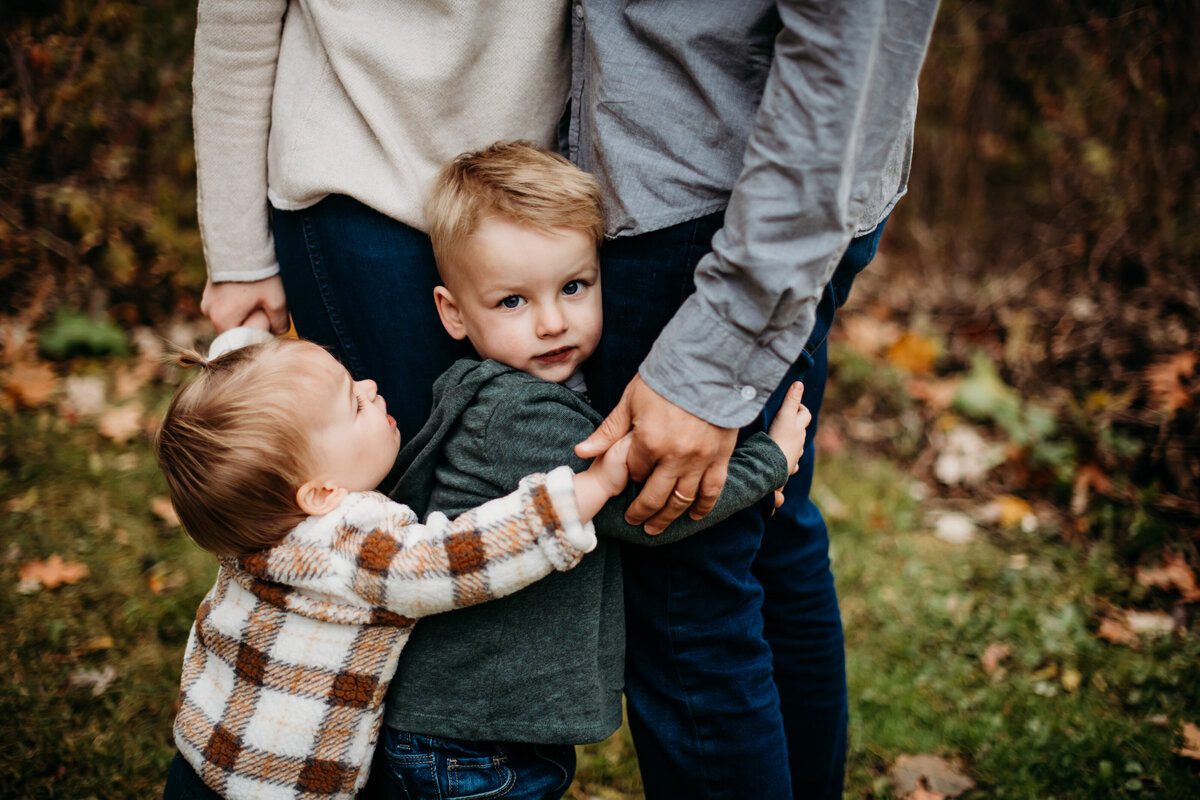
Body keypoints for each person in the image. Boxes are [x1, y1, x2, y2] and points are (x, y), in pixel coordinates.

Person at [565, 2, 940, 798]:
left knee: (683, 594)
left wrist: (723, 341)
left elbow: (850, 40)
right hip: (746, 194)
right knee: (764, 540)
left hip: (718, 210)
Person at [367, 142, 812, 799]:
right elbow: (640, 509)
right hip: (468, 743)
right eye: (513, 302)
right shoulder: (516, 416)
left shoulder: (518, 394)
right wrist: (768, 463)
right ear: (453, 312)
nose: (552, 322)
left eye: (574, 287)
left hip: (474, 733)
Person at [154, 335, 633, 800]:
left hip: (204, 754)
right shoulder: (349, 547)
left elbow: (249, 403)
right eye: (354, 405)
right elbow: (462, 559)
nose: (368, 386)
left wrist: (242, 347)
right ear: (321, 493)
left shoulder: (253, 528)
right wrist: (587, 492)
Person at [191, 0, 574, 443]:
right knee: (404, 483)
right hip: (363, 180)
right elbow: (237, 27)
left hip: (540, 188)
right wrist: (237, 257)